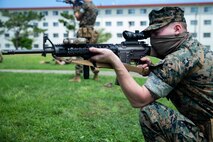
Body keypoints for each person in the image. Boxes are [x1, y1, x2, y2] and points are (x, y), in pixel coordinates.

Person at [89, 7, 213, 141]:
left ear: (177, 29)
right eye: (150, 34)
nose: (152, 38)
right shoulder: (196, 49)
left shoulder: (179, 58)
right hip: (205, 127)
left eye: (156, 32)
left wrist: (114, 61)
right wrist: (155, 69)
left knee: (151, 113)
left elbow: (139, 99)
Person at [67, 0, 99, 82]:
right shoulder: (95, 7)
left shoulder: (85, 5)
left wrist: (74, 6)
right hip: (92, 32)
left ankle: (77, 76)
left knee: (80, 53)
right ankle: (95, 72)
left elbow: (78, 17)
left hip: (83, 31)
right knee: (91, 53)